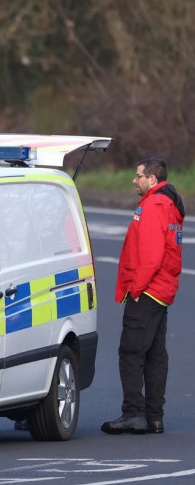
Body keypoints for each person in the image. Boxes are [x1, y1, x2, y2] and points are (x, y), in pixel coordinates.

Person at [101, 157, 185, 435]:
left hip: (148, 290)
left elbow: (151, 255)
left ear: (153, 178)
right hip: (162, 290)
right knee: (155, 353)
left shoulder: (153, 205)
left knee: (131, 351)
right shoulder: (168, 204)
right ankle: (154, 416)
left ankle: (134, 413)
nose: (133, 180)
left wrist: (136, 289)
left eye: (138, 176)